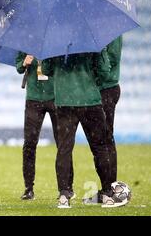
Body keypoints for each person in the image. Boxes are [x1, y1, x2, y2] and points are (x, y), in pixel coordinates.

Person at [42, 50, 127, 208]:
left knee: (64, 149)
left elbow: (46, 70)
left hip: (64, 100)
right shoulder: (91, 41)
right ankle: (108, 193)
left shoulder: (55, 41)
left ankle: (64, 195)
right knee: (100, 147)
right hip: (90, 100)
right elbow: (104, 71)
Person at [16, 52, 74, 200]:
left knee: (63, 144)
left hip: (56, 97)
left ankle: (67, 188)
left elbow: (65, 66)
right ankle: (28, 188)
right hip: (33, 100)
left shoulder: (56, 43)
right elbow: (19, 68)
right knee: (29, 144)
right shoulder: (25, 44)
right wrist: (24, 63)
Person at [84, 36, 122, 204]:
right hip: (100, 89)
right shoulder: (105, 27)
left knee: (103, 141)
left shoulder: (109, 31)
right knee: (101, 142)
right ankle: (108, 188)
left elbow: (111, 60)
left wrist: (93, 76)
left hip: (105, 89)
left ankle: (109, 189)